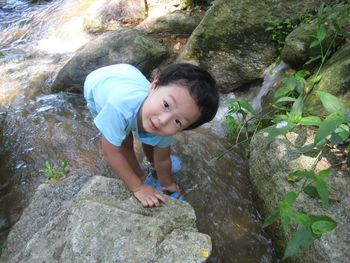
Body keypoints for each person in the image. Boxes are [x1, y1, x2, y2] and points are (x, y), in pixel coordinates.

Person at [84, 63, 219, 207]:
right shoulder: (118, 108)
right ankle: (140, 175)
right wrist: (138, 187)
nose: (163, 120)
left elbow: (163, 158)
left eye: (178, 121)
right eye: (166, 105)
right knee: (124, 142)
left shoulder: (166, 116)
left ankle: (150, 163)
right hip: (98, 84)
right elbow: (112, 154)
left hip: (126, 77)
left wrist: (167, 183)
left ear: (184, 128)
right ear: (154, 85)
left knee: (153, 135)